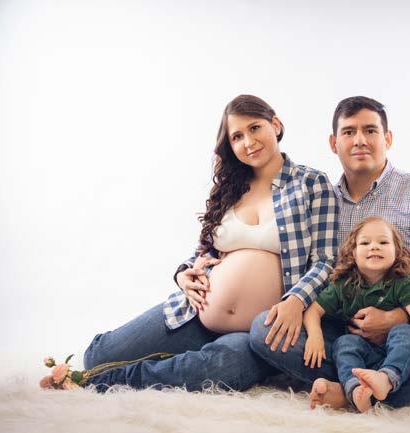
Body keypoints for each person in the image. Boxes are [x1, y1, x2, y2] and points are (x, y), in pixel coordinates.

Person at [249, 96, 410, 410]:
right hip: (346, 333)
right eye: (349, 132)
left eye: (370, 131)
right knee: (263, 327)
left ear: (388, 139)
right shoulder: (323, 201)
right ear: (333, 143)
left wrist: (401, 315)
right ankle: (397, 386)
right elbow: (302, 262)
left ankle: (354, 389)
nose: (360, 140)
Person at [80, 95, 338, 391]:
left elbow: (325, 260)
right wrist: (183, 275)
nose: (248, 142)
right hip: (195, 310)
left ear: (275, 125)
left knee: (224, 370)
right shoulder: (230, 188)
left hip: (258, 333)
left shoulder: (311, 183)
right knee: (97, 357)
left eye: (255, 128)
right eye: (237, 136)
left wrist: (296, 300)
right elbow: (203, 253)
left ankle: (112, 382)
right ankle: (104, 373)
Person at [303, 216, 410, 412]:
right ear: (353, 253)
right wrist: (315, 336)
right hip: (362, 356)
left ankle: (386, 379)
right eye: (365, 243)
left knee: (405, 331)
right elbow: (313, 310)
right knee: (344, 343)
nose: (374, 247)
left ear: (397, 252)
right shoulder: (343, 285)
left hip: (400, 355)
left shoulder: (402, 284)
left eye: (383, 242)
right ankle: (356, 389)